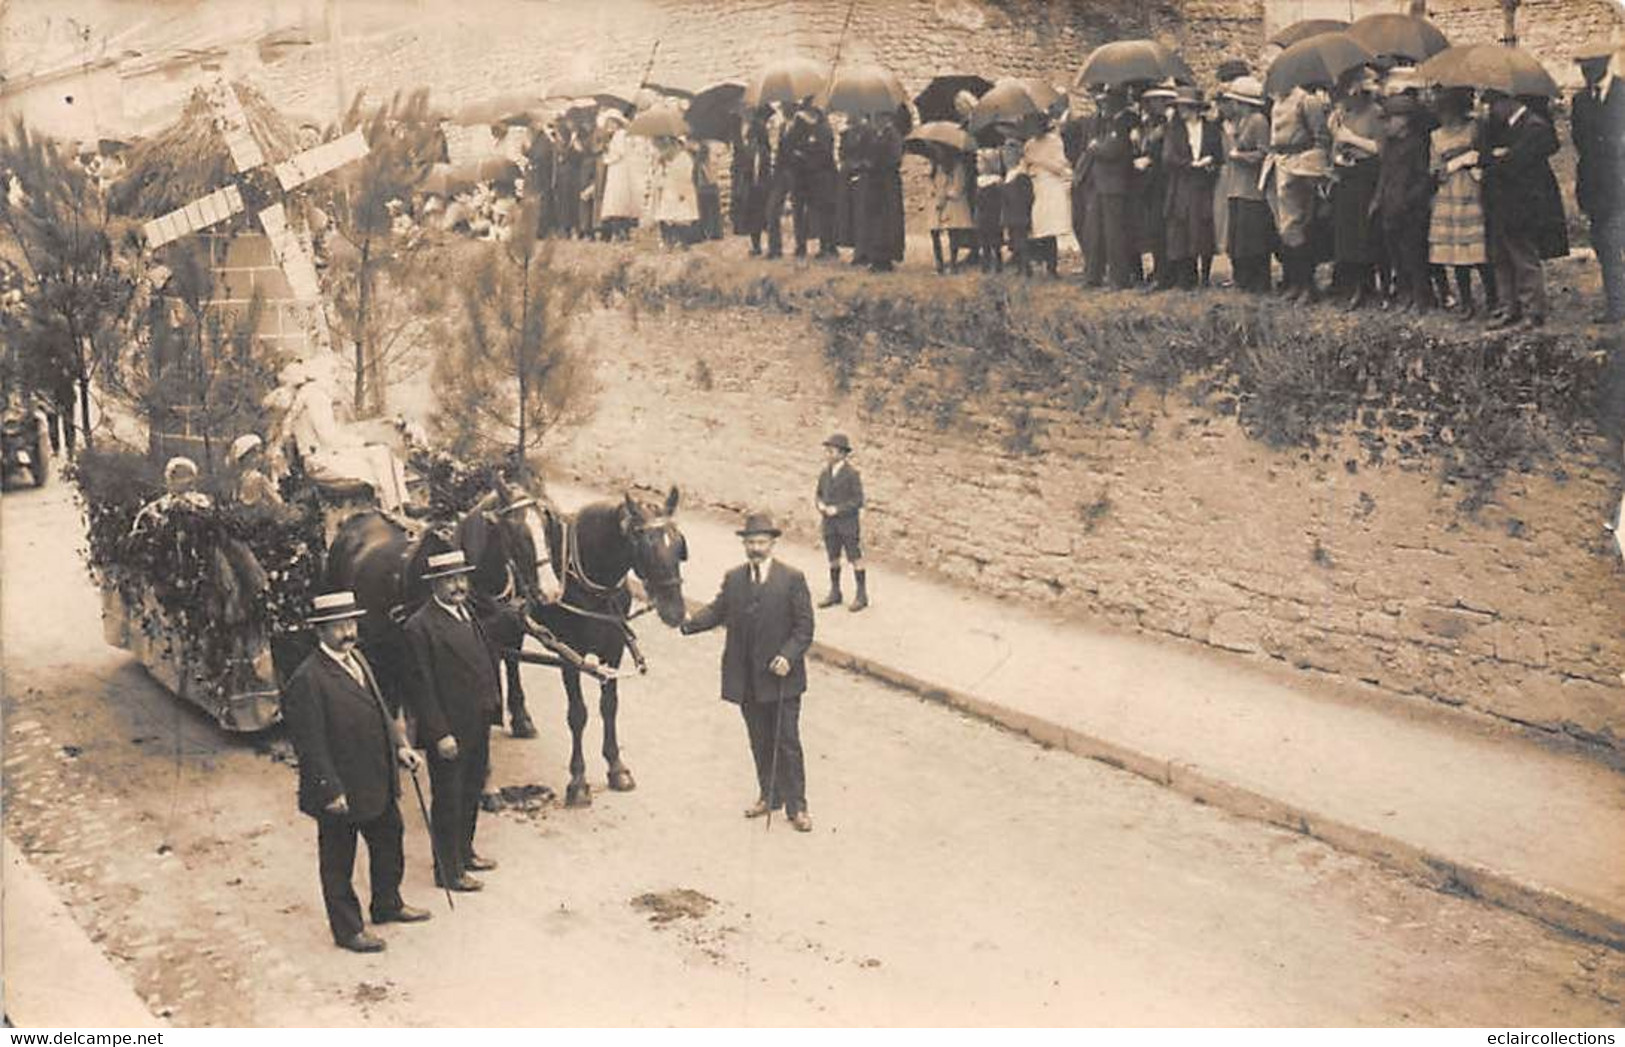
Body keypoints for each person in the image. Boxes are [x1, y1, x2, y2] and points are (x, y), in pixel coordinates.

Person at [281, 590, 429, 953]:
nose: (348, 632)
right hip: (341, 788)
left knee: (389, 839)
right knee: (338, 860)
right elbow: (310, 744)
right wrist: (329, 790)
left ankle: (387, 904)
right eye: (339, 626)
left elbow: (380, 710)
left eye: (351, 623)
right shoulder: (308, 679)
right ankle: (348, 930)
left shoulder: (358, 659)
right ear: (320, 631)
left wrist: (401, 748)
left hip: (377, 776)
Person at [679, 512, 816, 833]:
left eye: (761, 542)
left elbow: (805, 627)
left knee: (787, 742)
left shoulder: (792, 579)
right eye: (750, 542)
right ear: (744, 545)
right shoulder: (735, 578)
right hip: (747, 678)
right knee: (759, 739)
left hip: (782, 678)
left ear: (772, 544)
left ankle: (798, 807)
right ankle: (769, 796)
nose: (755, 548)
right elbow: (718, 610)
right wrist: (688, 622)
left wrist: (788, 656)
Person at [403, 550, 503, 893]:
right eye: (450, 580)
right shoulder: (420, 627)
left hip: (478, 719)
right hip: (449, 728)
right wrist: (440, 733)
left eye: (462, 578)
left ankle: (466, 852)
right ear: (434, 585)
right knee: (448, 796)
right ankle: (448, 869)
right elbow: (421, 687)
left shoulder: (468, 613)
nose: (459, 586)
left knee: (472, 788)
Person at [1480, 90, 1568, 330]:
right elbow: (1485, 156)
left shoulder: (1535, 126)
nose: (1491, 110)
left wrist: (1499, 158)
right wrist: (1497, 157)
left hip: (1525, 204)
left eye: (1494, 104)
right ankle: (1509, 307)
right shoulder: (1501, 126)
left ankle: (1534, 311)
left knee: (1523, 256)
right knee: (1501, 256)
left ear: (1509, 102)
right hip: (1502, 202)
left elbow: (1514, 164)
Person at [275, 358, 409, 511]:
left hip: (317, 458)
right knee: (382, 455)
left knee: (380, 457)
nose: (337, 380)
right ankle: (397, 509)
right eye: (334, 374)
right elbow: (329, 438)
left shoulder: (307, 395)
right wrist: (363, 441)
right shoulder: (315, 396)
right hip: (321, 461)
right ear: (323, 374)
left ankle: (394, 507)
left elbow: (333, 434)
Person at [1428, 87, 1495, 318]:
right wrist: (1451, 165)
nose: (1444, 115)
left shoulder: (1474, 128)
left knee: (1478, 248)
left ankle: (1493, 299)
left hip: (1472, 189)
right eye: (1441, 111)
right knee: (1456, 252)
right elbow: (1434, 169)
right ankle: (1466, 302)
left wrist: (1473, 162)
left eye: (1448, 110)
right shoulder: (1435, 136)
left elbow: (1484, 156)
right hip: (1449, 195)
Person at [1267, 80, 1333, 301]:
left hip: (1300, 166)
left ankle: (1307, 284)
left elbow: (1321, 137)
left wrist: (1313, 167)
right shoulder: (1277, 101)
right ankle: (1293, 281)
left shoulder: (1306, 100)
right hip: (1279, 163)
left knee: (1300, 224)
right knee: (1284, 226)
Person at [1573, 47, 1625, 324]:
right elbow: (1580, 142)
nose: (1584, 73)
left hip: (1621, 181)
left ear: (1604, 65)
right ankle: (1617, 306)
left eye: (1589, 66)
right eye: (1582, 67)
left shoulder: (1623, 93)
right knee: (1605, 246)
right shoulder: (1580, 100)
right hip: (1597, 186)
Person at [1328, 66, 1385, 309]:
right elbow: (1336, 146)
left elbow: (1380, 149)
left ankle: (1366, 285)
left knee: (1365, 233)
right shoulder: (1345, 114)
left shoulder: (1376, 113)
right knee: (1346, 232)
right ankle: (1348, 283)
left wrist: (1350, 138)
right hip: (1347, 175)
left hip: (1368, 175)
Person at [1373, 93, 1435, 312]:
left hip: (1411, 209)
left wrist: (1409, 200)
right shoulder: (1390, 145)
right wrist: (1377, 199)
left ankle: (1421, 297)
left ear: (1405, 120)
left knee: (1414, 254)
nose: (1386, 125)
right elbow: (1384, 174)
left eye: (1389, 119)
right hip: (1390, 206)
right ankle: (1404, 293)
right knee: (1395, 254)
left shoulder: (1418, 144)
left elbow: (1424, 178)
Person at [1078, 87, 1141, 289]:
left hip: (1115, 185)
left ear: (1117, 102)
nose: (1102, 105)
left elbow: (1112, 150)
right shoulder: (1107, 122)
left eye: (1106, 102)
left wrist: (1096, 147)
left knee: (1114, 234)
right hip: (1100, 184)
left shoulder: (1124, 122)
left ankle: (1119, 279)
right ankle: (1093, 276)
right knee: (1094, 232)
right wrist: (1097, 146)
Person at [1161, 86, 1223, 289]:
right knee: (1182, 226)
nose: (1181, 112)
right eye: (1179, 108)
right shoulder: (1174, 129)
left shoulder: (1211, 128)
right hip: (1183, 182)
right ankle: (1187, 276)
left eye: (1185, 108)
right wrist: (1190, 164)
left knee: (1204, 227)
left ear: (1195, 109)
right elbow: (1168, 157)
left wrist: (1210, 163)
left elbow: (1219, 154)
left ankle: (1205, 276)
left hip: (1205, 183)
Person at [1222, 77, 1276, 293]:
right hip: (1237, 188)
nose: (1231, 105)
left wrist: (1239, 155)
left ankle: (1258, 282)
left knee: (1253, 239)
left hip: (1253, 189)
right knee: (1238, 239)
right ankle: (1242, 279)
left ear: (1243, 102)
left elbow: (1264, 154)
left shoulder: (1258, 121)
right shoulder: (1240, 122)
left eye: (1235, 100)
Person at [814, 432, 867, 611]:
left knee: (854, 557)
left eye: (832, 451)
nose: (828, 454)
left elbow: (858, 500)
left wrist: (838, 509)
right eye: (827, 451)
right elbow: (819, 494)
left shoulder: (852, 474)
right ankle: (835, 592)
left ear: (843, 454)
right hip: (829, 523)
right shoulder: (825, 473)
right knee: (833, 558)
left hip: (847, 524)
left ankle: (861, 595)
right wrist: (820, 505)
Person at [779, 104, 839, 258]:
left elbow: (825, 153)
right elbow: (788, 148)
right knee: (803, 211)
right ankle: (805, 245)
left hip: (816, 176)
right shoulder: (798, 126)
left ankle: (824, 246)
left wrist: (803, 154)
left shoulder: (821, 128)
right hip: (802, 175)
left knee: (820, 211)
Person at [1022, 115, 1072, 278]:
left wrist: (1040, 160)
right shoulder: (1029, 144)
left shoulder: (1054, 141)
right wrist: (1027, 166)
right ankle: (1038, 263)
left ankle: (1052, 267)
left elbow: (1060, 167)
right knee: (1039, 228)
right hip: (1036, 186)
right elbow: (1026, 166)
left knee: (1050, 227)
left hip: (1051, 186)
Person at [1137, 82, 1177, 288]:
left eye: (1156, 100)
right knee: (1153, 228)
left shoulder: (1171, 124)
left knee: (1162, 227)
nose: (1151, 105)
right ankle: (1159, 268)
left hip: (1164, 180)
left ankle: (1166, 272)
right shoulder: (1149, 124)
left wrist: (1151, 159)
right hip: (1150, 182)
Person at [856, 112, 906, 272]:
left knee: (887, 221)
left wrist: (875, 164)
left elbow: (895, 159)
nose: (876, 121)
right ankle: (875, 256)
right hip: (875, 184)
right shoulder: (874, 134)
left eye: (879, 118)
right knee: (875, 220)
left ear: (887, 118)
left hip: (888, 184)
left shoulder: (893, 135)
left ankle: (885, 258)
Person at [130, 456, 212, 535]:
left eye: (190, 482)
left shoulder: (204, 509)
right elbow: (138, 539)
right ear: (168, 480)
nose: (190, 487)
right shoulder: (151, 512)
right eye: (182, 480)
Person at [929, 146, 976, 273]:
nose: (938, 154)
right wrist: (935, 194)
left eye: (940, 151)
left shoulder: (957, 167)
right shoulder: (937, 168)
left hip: (953, 203)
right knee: (934, 231)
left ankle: (953, 263)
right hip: (939, 203)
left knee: (953, 232)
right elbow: (932, 185)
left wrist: (946, 195)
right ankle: (939, 263)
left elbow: (959, 188)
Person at [598, 110, 640, 242]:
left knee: (617, 199)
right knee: (617, 200)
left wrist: (607, 159)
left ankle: (621, 232)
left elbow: (620, 153)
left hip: (619, 169)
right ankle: (621, 231)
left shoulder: (621, 135)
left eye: (612, 122)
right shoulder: (617, 135)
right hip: (618, 169)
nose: (610, 125)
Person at [650, 135, 699, 248]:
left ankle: (682, 240)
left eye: (675, 146)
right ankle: (668, 239)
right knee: (667, 215)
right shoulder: (667, 159)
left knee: (682, 216)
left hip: (682, 191)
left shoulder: (684, 158)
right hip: (670, 190)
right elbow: (662, 176)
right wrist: (662, 168)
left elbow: (686, 175)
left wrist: (682, 192)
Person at [1000, 137, 1035, 277]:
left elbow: (1026, 196)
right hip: (1010, 212)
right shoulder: (1009, 173)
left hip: (1019, 212)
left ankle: (1026, 267)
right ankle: (1020, 266)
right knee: (1014, 240)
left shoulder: (1021, 174)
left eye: (1010, 155)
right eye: (1005, 156)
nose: (1007, 159)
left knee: (1022, 240)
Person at [974, 140, 1005, 272]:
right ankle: (985, 264)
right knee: (984, 241)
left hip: (994, 214)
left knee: (995, 240)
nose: (978, 165)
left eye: (980, 162)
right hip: (982, 214)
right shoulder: (979, 180)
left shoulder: (996, 180)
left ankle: (998, 262)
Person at [231, 434, 281, 507]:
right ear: (249, 457)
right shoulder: (258, 479)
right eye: (258, 452)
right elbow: (278, 504)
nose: (261, 456)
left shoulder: (240, 479)